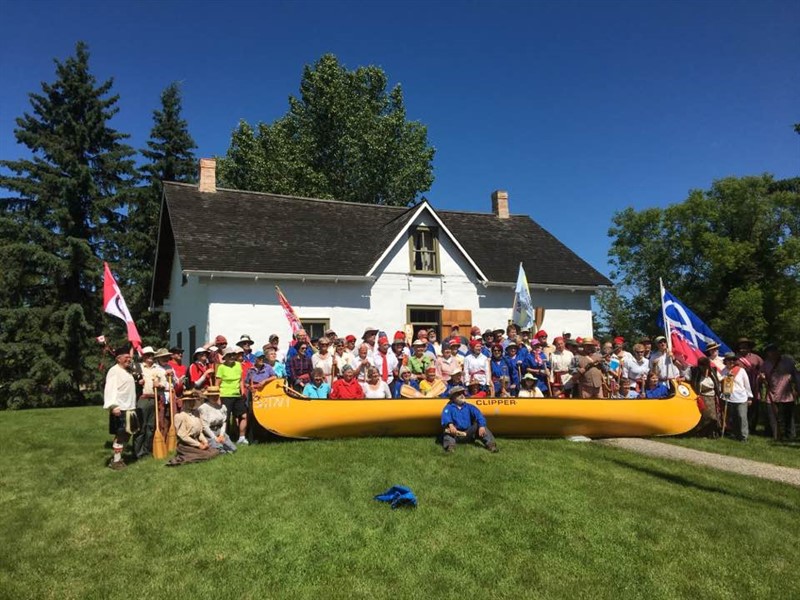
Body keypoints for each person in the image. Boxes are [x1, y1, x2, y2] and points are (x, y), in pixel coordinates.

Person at [103, 346, 138, 470]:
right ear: (118, 359)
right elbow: (110, 389)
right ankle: (116, 461)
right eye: (126, 357)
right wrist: (113, 405)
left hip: (130, 407)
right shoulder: (114, 371)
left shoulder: (127, 371)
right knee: (120, 434)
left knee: (127, 433)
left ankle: (119, 458)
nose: (129, 359)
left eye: (130, 357)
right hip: (120, 408)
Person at [440, 386, 498, 453]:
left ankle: (491, 445)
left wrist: (481, 426)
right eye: (459, 394)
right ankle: (450, 447)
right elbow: (445, 417)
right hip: (455, 433)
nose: (462, 395)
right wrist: (450, 425)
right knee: (447, 431)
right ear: (453, 397)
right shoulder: (448, 407)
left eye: (463, 393)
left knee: (482, 426)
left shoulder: (470, 407)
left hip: (468, 432)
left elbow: (479, 416)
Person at [132, 346, 166, 459]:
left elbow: (165, 384)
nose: (150, 357)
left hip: (155, 398)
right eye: (148, 355)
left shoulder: (159, 369)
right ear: (144, 357)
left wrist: (160, 385)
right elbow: (131, 381)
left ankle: (147, 450)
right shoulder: (137, 367)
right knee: (141, 426)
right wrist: (138, 382)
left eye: (152, 355)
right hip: (142, 399)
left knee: (151, 426)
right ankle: (137, 452)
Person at [760, 343, 799, 440]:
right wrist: (761, 377)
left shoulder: (788, 361)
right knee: (773, 417)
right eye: (769, 351)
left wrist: (798, 389)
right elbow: (760, 375)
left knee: (788, 417)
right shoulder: (766, 364)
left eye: (773, 351)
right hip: (771, 394)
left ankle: (790, 435)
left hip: (787, 394)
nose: (772, 353)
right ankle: (776, 435)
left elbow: (796, 376)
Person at [217, 347, 248, 446]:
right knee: (225, 418)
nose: (231, 357)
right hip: (225, 395)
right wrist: (217, 397)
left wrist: (242, 391)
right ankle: (224, 437)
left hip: (237, 395)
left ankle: (242, 438)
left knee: (244, 416)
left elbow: (240, 380)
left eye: (233, 355)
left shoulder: (238, 365)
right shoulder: (221, 367)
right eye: (229, 355)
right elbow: (217, 383)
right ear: (225, 357)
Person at [721, 352, 753, 441]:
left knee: (742, 417)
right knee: (733, 418)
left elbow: (747, 384)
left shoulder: (741, 370)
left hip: (741, 398)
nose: (731, 362)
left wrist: (749, 397)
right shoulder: (724, 371)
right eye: (728, 360)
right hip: (729, 398)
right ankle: (735, 434)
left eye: (732, 360)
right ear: (725, 361)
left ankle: (744, 436)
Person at [735, 337, 763, 433]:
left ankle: (752, 427)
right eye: (741, 346)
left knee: (755, 406)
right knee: (742, 405)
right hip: (741, 385)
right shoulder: (736, 358)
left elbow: (762, 369)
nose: (743, 348)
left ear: (749, 347)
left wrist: (761, 377)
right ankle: (742, 427)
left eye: (745, 346)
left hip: (754, 384)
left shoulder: (756, 358)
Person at [196, 388, 237, 454]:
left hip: (219, 431)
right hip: (209, 433)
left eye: (216, 395)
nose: (215, 397)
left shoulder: (222, 407)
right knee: (220, 450)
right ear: (208, 397)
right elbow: (205, 426)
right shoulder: (203, 408)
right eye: (213, 396)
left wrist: (221, 435)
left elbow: (224, 422)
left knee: (233, 449)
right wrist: (215, 438)